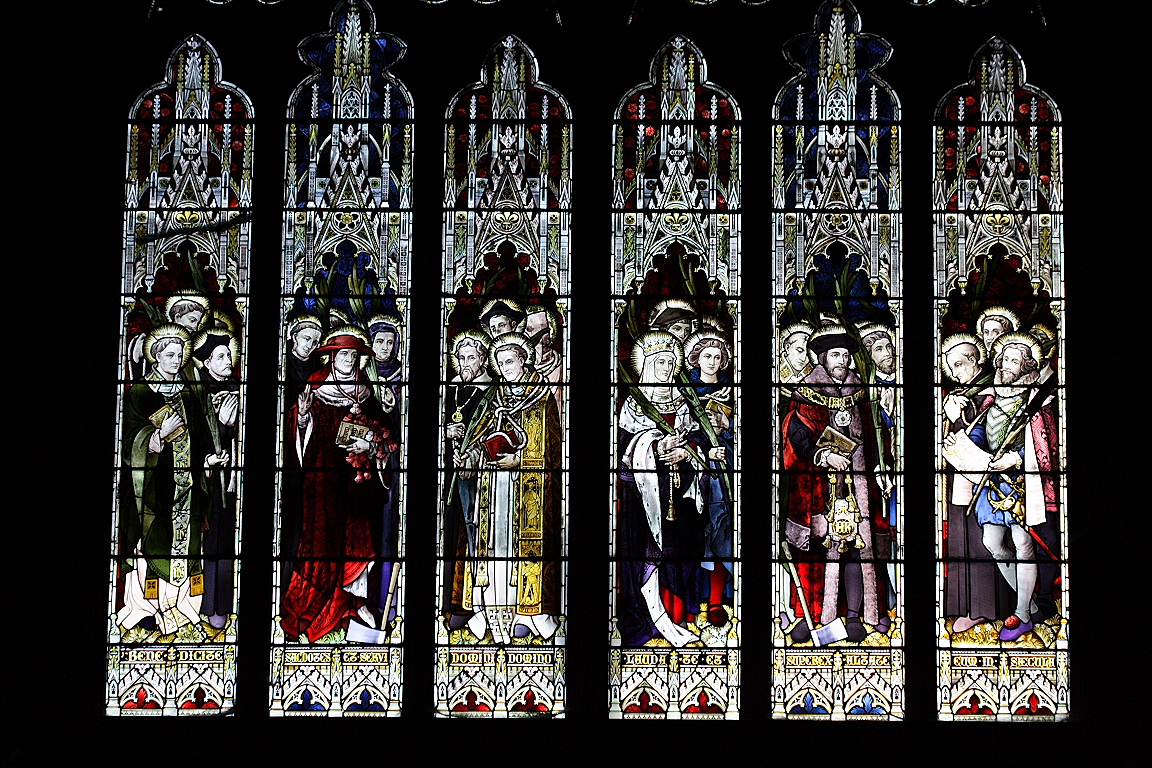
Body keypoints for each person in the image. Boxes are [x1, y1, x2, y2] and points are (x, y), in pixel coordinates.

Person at [280, 331, 399, 643]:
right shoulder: (316, 387)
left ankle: (353, 604)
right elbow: (296, 432)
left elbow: (385, 437)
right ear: (332, 357)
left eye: (354, 355)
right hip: (322, 482)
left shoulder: (366, 392)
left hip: (357, 486)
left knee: (359, 543)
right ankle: (321, 607)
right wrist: (302, 416)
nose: (349, 359)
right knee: (321, 545)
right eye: (344, 354)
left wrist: (371, 445)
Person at [943, 332, 1059, 641]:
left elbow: (1044, 445)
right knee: (992, 541)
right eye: (1004, 358)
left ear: (1026, 366)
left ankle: (1022, 615)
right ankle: (1029, 604)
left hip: (1021, 484)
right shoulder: (993, 399)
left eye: (1013, 360)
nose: (1006, 364)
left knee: (1023, 544)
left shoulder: (1037, 402)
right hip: (992, 485)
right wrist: (963, 443)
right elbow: (982, 432)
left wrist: (1016, 459)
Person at [449, 333, 562, 643]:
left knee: (521, 549)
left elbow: (553, 451)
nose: (505, 368)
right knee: (493, 548)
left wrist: (520, 460)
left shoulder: (541, 399)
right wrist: (470, 457)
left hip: (529, 491)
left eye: (510, 361)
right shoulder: (494, 400)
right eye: (500, 363)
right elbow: (479, 440)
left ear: (523, 361)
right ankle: (491, 611)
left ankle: (528, 614)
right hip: (493, 489)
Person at [118, 324, 229, 636]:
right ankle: (148, 611)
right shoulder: (140, 393)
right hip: (154, 490)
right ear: (156, 356)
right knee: (152, 547)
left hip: (188, 490)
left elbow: (201, 438)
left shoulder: (188, 393)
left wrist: (208, 460)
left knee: (189, 547)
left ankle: (183, 610)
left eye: (180, 355)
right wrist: (157, 436)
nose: (176, 360)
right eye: (170, 355)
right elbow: (128, 442)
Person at [782, 327, 890, 642]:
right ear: (823, 359)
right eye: (835, 355)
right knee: (814, 551)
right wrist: (823, 455)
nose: (841, 360)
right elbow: (796, 434)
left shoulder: (860, 393)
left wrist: (880, 466)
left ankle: (854, 615)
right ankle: (810, 616)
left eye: (845, 354)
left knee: (857, 547)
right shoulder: (807, 392)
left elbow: (875, 435)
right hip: (817, 489)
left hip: (858, 487)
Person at [617, 331, 714, 647]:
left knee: (682, 549)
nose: (666, 368)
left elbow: (699, 441)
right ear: (647, 365)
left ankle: (680, 615)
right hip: (641, 497)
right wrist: (654, 446)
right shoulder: (634, 405)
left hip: (679, 493)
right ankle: (651, 621)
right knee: (647, 553)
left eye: (671, 363)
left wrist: (686, 452)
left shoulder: (685, 403)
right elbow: (620, 449)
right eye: (660, 362)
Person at [939, 333, 1011, 634]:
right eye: (950, 367)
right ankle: (965, 605)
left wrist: (957, 417)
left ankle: (984, 608)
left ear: (974, 359)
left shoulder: (991, 393)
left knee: (979, 540)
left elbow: (980, 440)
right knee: (962, 540)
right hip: (960, 477)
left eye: (958, 365)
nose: (954, 372)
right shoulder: (964, 393)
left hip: (985, 484)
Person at [442, 331, 494, 631]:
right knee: (451, 538)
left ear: (483, 359)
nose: (465, 363)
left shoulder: (492, 392)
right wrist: (446, 432)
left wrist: (473, 454)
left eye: (471, 357)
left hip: (481, 478)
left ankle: (482, 604)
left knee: (477, 535)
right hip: (450, 476)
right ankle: (454, 604)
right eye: (460, 357)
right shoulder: (450, 389)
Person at [684, 330, 736, 627]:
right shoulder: (684, 392)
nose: (713, 362)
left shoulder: (733, 389)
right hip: (695, 471)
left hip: (726, 471)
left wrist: (727, 424)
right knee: (698, 534)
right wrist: (703, 448)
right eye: (707, 356)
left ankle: (717, 600)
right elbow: (681, 431)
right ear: (696, 359)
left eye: (718, 357)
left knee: (722, 532)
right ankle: (693, 602)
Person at [191, 330, 241, 630]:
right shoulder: (198, 393)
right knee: (209, 544)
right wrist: (208, 455)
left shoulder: (238, 389)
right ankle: (206, 605)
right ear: (207, 362)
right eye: (220, 356)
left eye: (228, 355)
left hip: (233, 480)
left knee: (228, 543)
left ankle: (225, 606)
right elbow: (191, 435)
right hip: (207, 482)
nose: (227, 361)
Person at [285, 316, 323, 398]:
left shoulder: (318, 366)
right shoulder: (282, 360)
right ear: (295, 337)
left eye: (315, 343)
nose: (309, 346)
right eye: (306, 339)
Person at [778, 322, 814, 388]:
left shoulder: (814, 376)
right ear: (787, 348)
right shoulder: (775, 372)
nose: (803, 358)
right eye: (799, 351)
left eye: (808, 355)